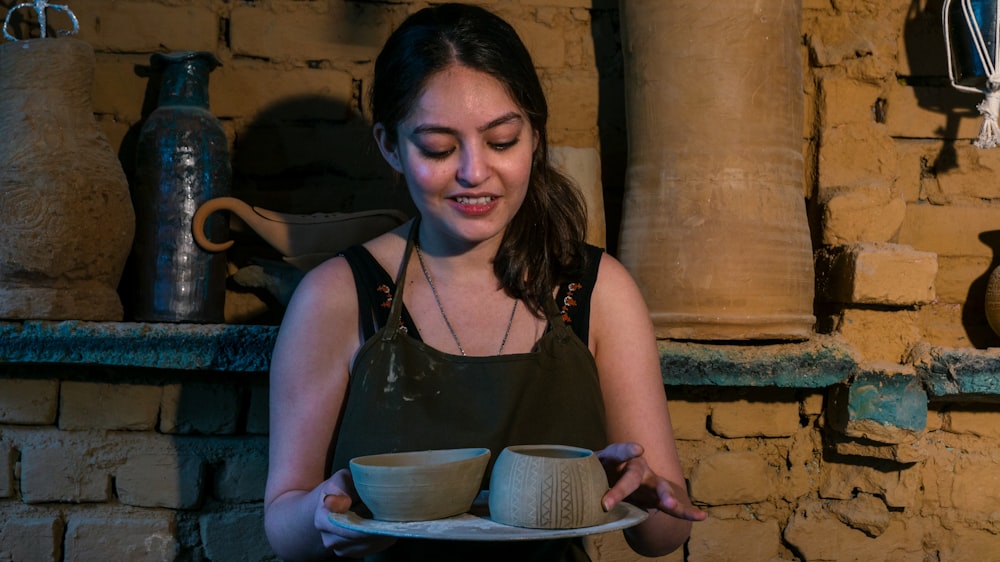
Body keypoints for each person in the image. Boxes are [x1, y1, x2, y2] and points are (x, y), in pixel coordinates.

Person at [263, 4, 706, 561]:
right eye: (439, 148)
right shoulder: (339, 295)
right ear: (390, 146)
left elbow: (667, 536)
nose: (474, 172)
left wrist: (642, 494)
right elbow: (283, 526)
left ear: (535, 137)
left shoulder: (597, 291)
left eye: (501, 141)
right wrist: (319, 513)